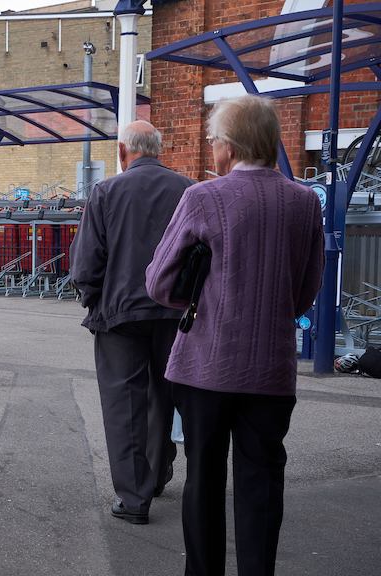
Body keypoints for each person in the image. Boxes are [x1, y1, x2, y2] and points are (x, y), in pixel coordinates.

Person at [146, 95, 323, 575]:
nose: (211, 147)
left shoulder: (203, 198)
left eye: (212, 139)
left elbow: (160, 281)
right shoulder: (305, 203)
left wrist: (208, 304)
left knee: (203, 478)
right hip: (271, 371)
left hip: (206, 366)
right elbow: (305, 293)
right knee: (262, 481)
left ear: (229, 144)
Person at [69, 120, 194, 525]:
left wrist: (92, 298)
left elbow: (87, 260)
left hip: (120, 313)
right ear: (158, 149)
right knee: (166, 395)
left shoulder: (106, 191)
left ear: (123, 151)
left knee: (124, 403)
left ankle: (134, 497)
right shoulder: (188, 190)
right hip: (174, 312)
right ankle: (157, 474)